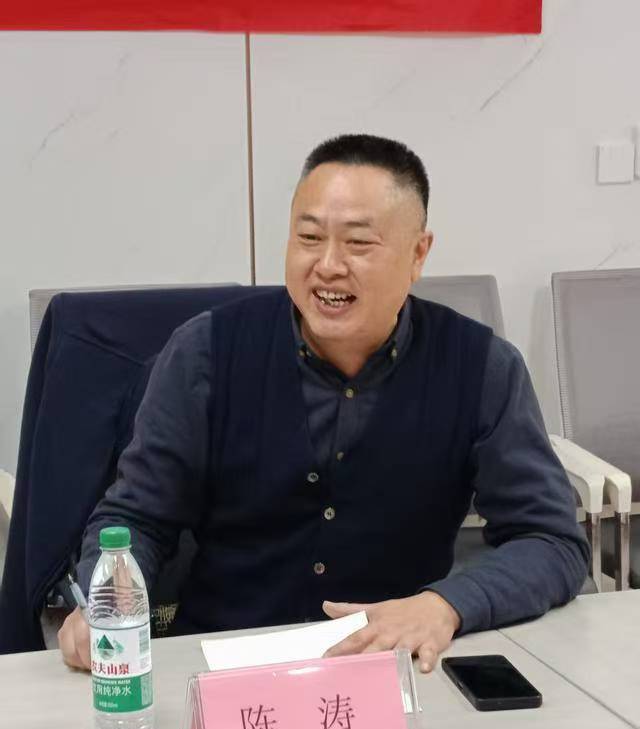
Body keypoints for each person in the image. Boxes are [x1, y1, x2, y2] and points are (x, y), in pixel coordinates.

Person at [58, 134, 588, 673]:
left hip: (395, 669)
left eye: (358, 243)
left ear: (418, 253)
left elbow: (550, 540)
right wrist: (109, 598)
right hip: (226, 669)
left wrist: (443, 605)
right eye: (309, 237)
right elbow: (139, 516)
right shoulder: (206, 353)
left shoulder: (481, 367)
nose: (329, 266)